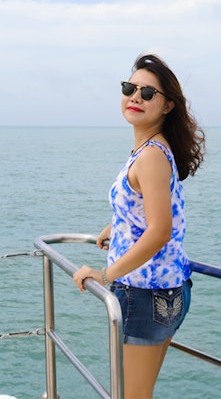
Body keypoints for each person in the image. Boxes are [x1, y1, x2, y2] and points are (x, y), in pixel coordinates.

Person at [73, 53, 205, 398]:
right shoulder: (156, 149)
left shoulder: (150, 156)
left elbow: (159, 231)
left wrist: (105, 275)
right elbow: (149, 211)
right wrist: (115, 226)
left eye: (148, 93)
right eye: (130, 87)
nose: (135, 97)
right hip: (170, 288)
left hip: (144, 294)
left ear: (167, 106)